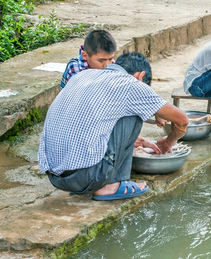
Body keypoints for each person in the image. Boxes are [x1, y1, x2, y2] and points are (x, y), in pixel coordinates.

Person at [39, 52, 189, 201]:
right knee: (135, 111)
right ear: (140, 76)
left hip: (56, 177)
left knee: (124, 108)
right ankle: (111, 185)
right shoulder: (131, 85)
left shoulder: (83, 76)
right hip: (87, 178)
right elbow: (182, 120)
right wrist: (168, 142)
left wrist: (136, 140)